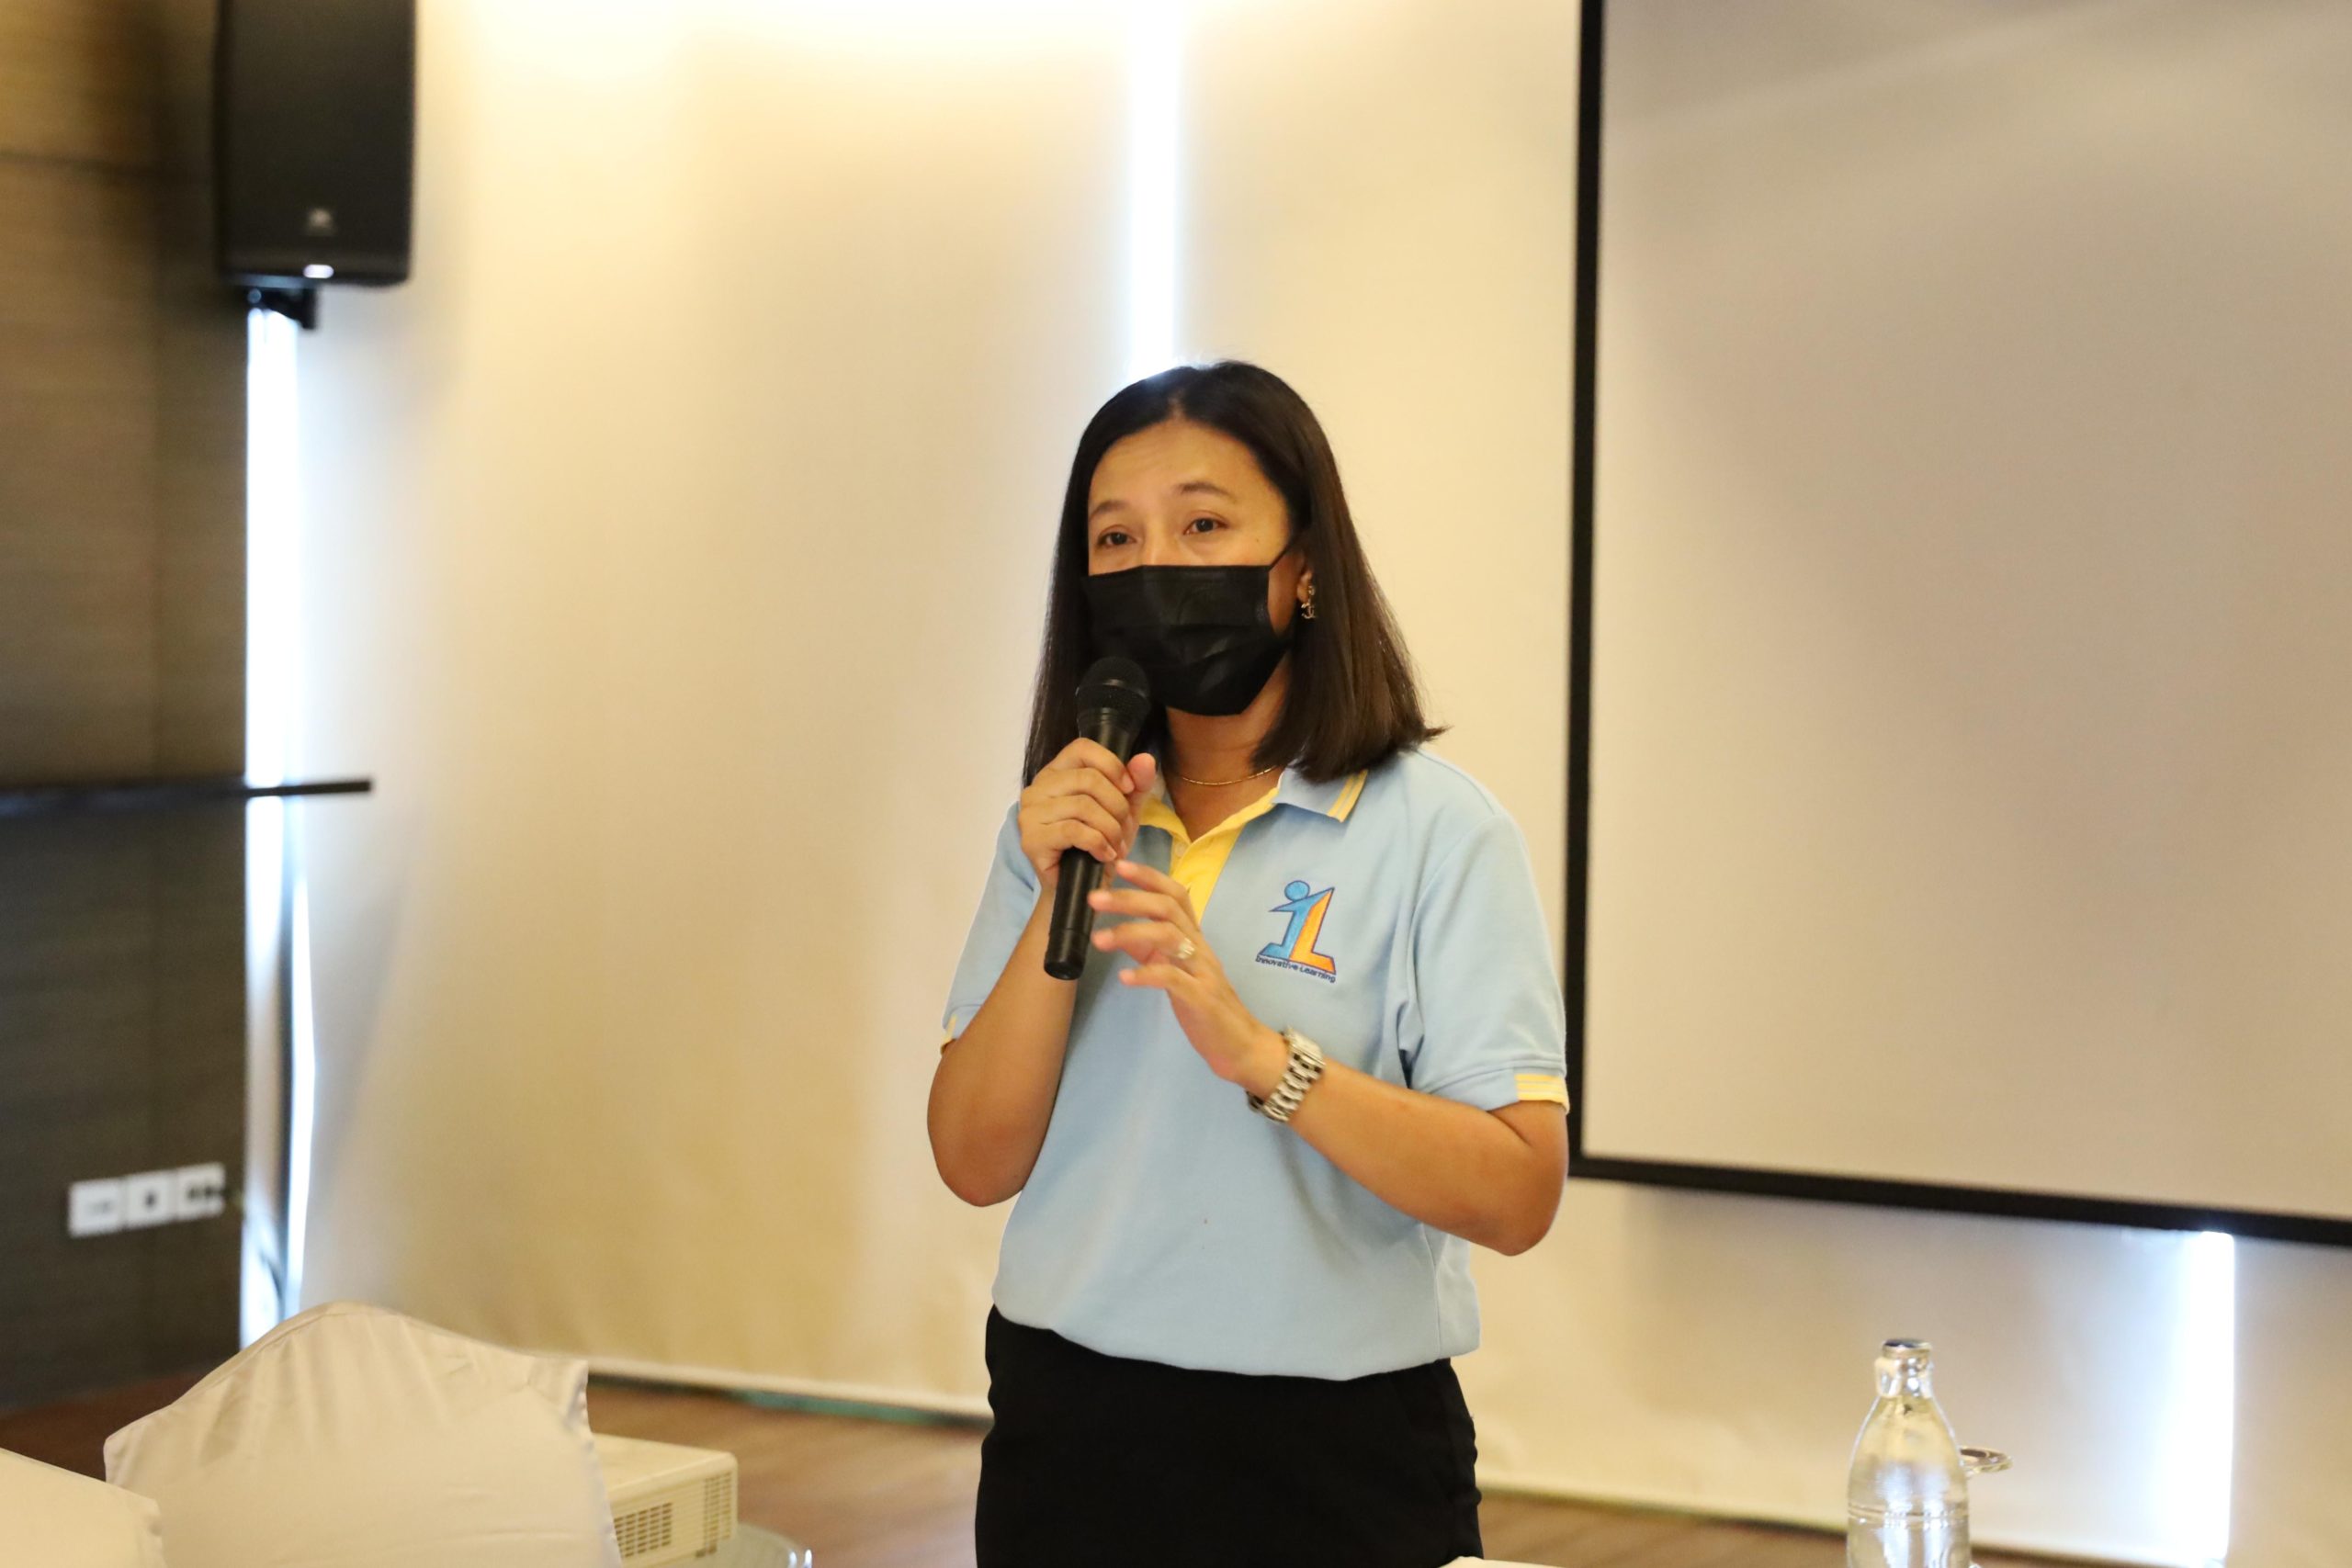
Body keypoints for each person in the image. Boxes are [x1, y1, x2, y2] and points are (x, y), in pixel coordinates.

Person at [926, 361, 1567, 1568]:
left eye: (1205, 526)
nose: (1156, 566)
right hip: (1070, 1428)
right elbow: (973, 1159)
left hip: (1332, 1449)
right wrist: (1057, 881)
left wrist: (1265, 1059)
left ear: (1305, 566)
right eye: (1116, 539)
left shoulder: (1440, 831)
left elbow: (1518, 1193)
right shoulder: (1060, 824)